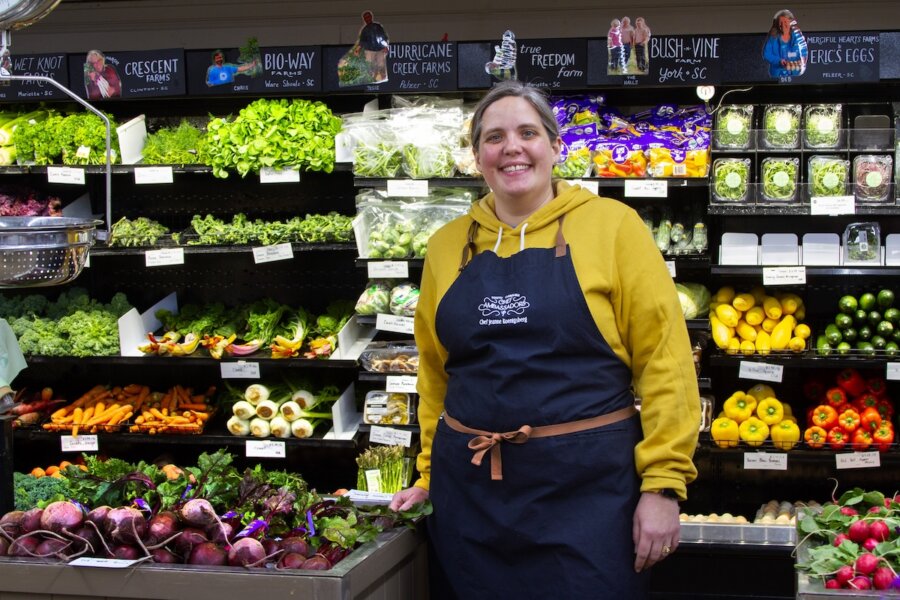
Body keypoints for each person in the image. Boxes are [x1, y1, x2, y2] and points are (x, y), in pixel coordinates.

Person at [389, 80, 700, 598]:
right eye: (494, 137)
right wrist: (425, 476)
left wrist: (663, 486)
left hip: (588, 497)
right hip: (470, 501)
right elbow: (435, 375)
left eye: (527, 132)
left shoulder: (614, 227)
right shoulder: (446, 246)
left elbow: (664, 361)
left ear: (556, 147)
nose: (511, 147)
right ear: (477, 157)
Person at [762, 9, 808, 78]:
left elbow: (804, 52)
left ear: (790, 23)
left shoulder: (797, 36)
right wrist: (778, 61)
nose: (783, 25)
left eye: (785, 22)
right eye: (781, 22)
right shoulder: (773, 38)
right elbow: (766, 54)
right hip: (777, 74)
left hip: (795, 74)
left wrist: (802, 60)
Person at [357, 10, 389, 82]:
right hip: (369, 51)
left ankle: (383, 80)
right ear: (364, 19)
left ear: (371, 17)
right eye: (365, 17)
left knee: (381, 66)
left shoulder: (378, 26)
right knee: (370, 67)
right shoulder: (364, 30)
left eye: (368, 17)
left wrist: (385, 46)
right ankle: (371, 81)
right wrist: (358, 50)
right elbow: (362, 41)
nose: (367, 19)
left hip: (380, 50)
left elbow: (383, 36)